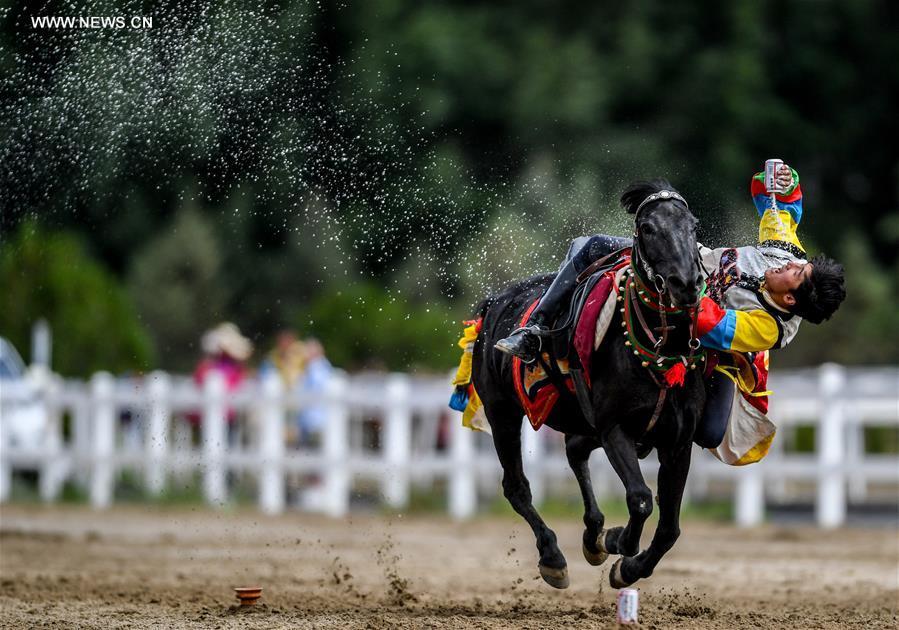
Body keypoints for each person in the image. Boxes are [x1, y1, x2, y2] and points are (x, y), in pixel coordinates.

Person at [494, 163, 846, 456]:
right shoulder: (787, 253)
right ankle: (536, 328)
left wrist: (686, 285)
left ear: (789, 300)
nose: (789, 264)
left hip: (721, 352)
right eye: (800, 264)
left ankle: (648, 429)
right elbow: (780, 209)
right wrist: (783, 181)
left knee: (708, 432)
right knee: (593, 246)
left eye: (796, 273)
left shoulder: (770, 327)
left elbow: (713, 326)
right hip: (690, 266)